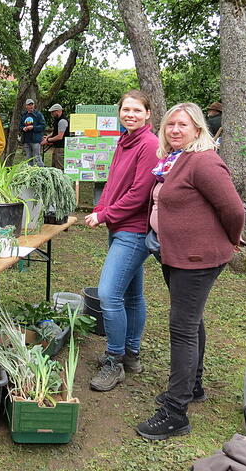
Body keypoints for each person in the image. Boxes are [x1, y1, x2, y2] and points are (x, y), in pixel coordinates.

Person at [135, 103, 245, 441]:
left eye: (183, 125)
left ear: (198, 129)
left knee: (181, 327)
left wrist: (229, 240)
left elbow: (233, 209)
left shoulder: (204, 161)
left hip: (197, 260)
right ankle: (194, 387)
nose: (175, 130)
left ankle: (175, 411)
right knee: (192, 320)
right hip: (177, 256)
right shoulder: (177, 159)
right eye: (171, 125)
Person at [84, 90, 160, 392]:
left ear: (148, 114)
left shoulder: (149, 144)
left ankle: (114, 360)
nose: (130, 114)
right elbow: (114, 182)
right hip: (118, 226)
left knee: (108, 295)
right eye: (126, 110)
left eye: (136, 110)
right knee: (132, 295)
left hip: (134, 230)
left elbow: (139, 194)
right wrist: (101, 208)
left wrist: (105, 215)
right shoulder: (124, 141)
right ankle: (131, 353)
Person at [41, 103, 69, 170]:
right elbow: (55, 132)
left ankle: (61, 180)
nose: (52, 114)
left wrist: (47, 140)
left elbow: (60, 136)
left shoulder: (62, 121)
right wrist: (48, 136)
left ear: (57, 111)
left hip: (61, 148)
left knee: (59, 168)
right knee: (54, 167)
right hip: (57, 147)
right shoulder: (58, 120)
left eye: (52, 112)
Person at [19, 98, 45, 166]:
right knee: (28, 158)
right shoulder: (24, 115)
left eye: (32, 104)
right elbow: (20, 126)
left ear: (34, 105)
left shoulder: (38, 115)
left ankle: (42, 171)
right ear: (26, 106)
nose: (31, 106)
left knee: (37, 157)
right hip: (26, 140)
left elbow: (43, 126)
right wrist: (23, 128)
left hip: (35, 140)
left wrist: (33, 127)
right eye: (29, 105)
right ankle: (30, 172)